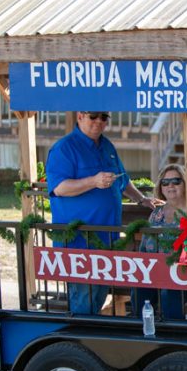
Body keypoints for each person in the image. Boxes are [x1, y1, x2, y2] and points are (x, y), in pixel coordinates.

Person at [46, 111, 160, 315]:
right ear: (80, 116)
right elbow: (59, 188)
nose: (99, 121)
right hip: (79, 242)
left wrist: (141, 199)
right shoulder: (64, 148)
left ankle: (87, 340)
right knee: (83, 301)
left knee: (98, 296)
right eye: (93, 116)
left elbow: (122, 179)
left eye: (104, 117)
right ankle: (78, 343)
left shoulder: (107, 146)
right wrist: (93, 181)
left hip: (106, 239)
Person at [136, 163, 187, 320]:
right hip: (153, 270)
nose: (170, 186)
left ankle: (174, 334)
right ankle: (142, 328)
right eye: (165, 182)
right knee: (139, 289)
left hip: (182, 272)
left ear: (185, 183)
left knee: (169, 292)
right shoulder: (157, 213)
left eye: (176, 181)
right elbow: (144, 246)